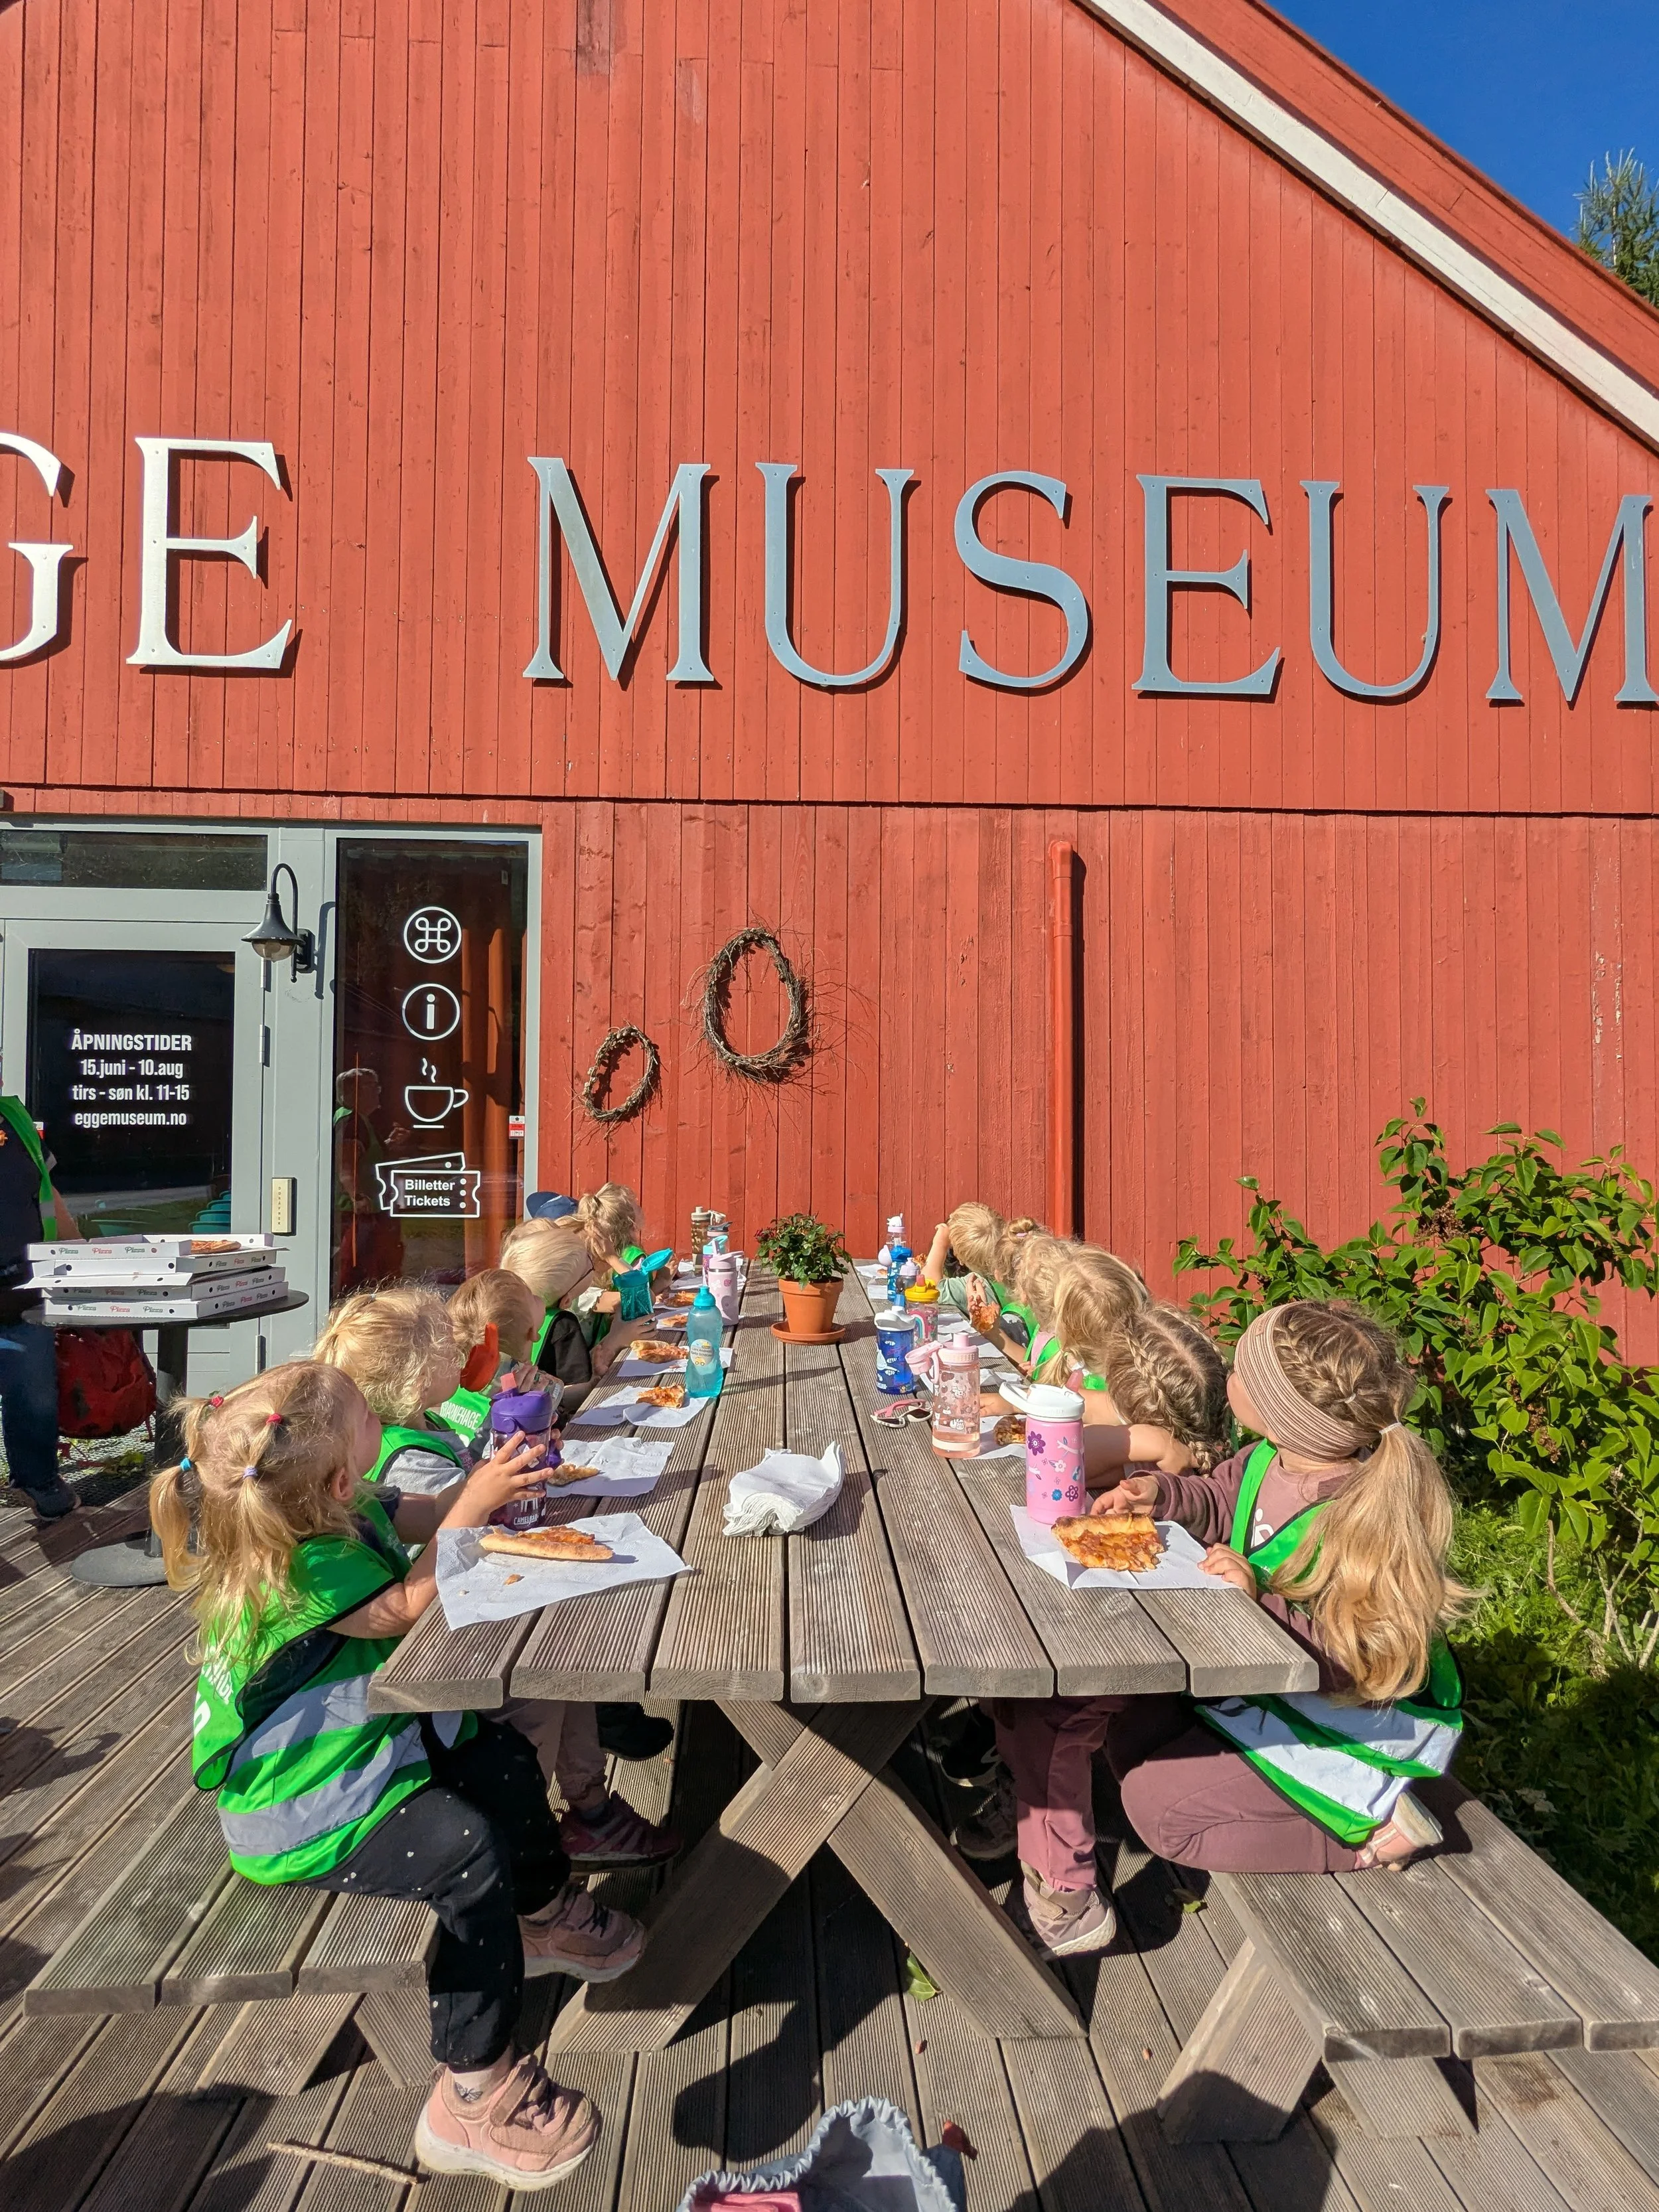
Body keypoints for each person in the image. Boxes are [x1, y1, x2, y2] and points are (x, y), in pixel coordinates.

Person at [151, 1361, 644, 2190]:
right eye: (366, 1417)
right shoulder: (300, 1564)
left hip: (365, 1755)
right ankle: (472, 2092)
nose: (380, 1419)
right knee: (466, 1850)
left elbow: (433, 1515)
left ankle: (541, 1914)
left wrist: (492, 1483)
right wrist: (480, 1502)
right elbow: (405, 1607)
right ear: (342, 1471)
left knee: (503, 1760)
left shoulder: (342, 1503)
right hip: (304, 1811)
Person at [1099, 1299, 1467, 1876]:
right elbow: (1222, 1499)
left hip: (1343, 1724)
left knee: (1156, 1811)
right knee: (1124, 1723)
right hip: (1266, 1686)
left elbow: (1366, 1655)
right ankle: (1219, 1796)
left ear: (1280, 1412)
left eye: (1241, 1369)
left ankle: (1362, 1836)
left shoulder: (1360, 1518)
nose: (1228, 1373)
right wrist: (1160, 1494)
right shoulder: (1267, 1459)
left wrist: (1260, 1606)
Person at [978, 1305, 1230, 1953]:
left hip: (1148, 1659)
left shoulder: (1160, 1452)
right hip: (1129, 1631)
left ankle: (1067, 1902)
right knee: (1013, 1689)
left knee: (1048, 1723)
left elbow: (1052, 1452)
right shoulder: (1192, 1446)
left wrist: (1119, 1434)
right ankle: (1022, 1802)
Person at [0, 1088, 81, 1520]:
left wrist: (83, 1254)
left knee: (34, 1398)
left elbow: (50, 1195)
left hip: (22, 1294)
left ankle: (38, 1484)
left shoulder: (13, 1119)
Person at [313, 1287, 471, 1492]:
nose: (462, 1355)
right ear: (420, 1384)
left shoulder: (427, 1420)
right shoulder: (413, 1465)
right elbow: (475, 1513)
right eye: (453, 1352)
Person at [439, 1268, 549, 1449]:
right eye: (532, 1297)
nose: (538, 1298)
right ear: (533, 1333)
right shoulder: (517, 1403)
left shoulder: (455, 1384)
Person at [332, 1067, 405, 1291]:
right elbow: (346, 1164)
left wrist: (388, 1146)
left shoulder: (358, 1120)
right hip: (359, 1213)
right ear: (354, 1091)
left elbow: (364, 1157)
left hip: (361, 1211)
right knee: (358, 1271)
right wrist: (359, 1197)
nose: (378, 1092)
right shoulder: (352, 1121)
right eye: (373, 1087)